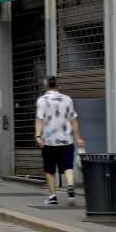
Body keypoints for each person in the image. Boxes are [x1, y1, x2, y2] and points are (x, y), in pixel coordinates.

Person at [36, 76, 85, 206]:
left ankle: (53, 196)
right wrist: (78, 137)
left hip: (48, 141)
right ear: (57, 86)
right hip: (66, 140)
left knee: (49, 169)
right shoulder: (67, 99)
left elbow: (40, 119)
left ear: (45, 86)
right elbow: (72, 120)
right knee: (68, 166)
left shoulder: (41, 100)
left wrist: (38, 136)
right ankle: (70, 185)